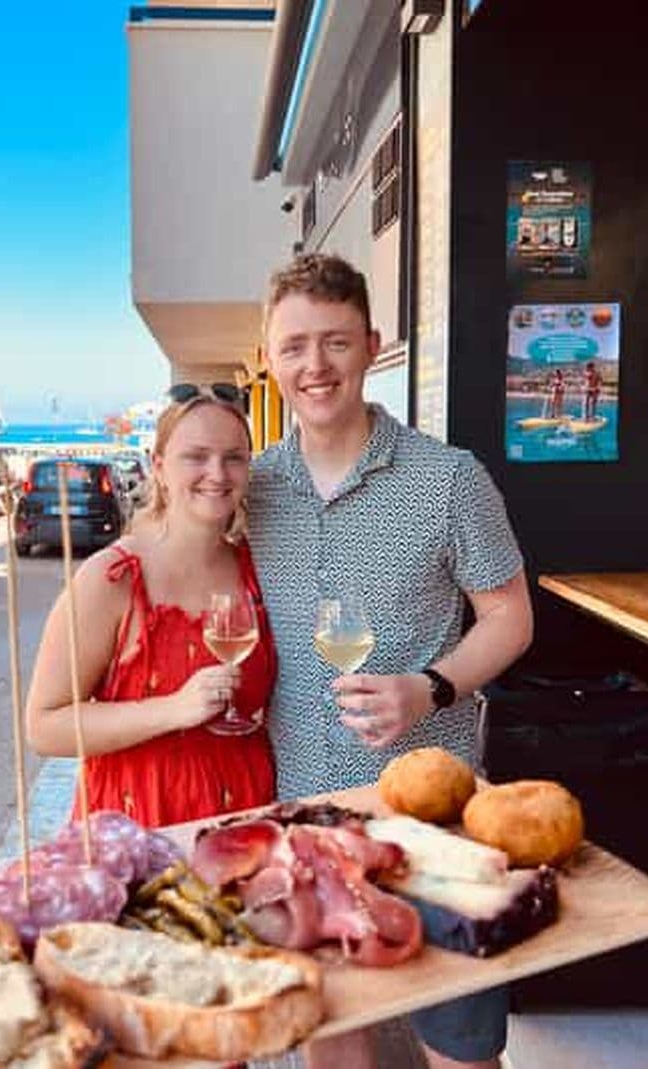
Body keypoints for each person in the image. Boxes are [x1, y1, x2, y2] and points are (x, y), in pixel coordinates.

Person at [248, 254, 533, 1069]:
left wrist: (430, 685)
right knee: (335, 1039)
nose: (315, 365)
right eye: (294, 345)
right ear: (269, 355)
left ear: (372, 345)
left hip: (435, 819)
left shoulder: (449, 479)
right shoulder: (253, 488)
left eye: (334, 342)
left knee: (462, 1047)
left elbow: (512, 618)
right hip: (306, 820)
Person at [25, 387, 276, 827]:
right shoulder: (113, 578)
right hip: (139, 821)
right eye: (196, 456)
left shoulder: (259, 569)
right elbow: (44, 727)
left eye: (234, 457)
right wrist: (173, 709)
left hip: (248, 811)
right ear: (158, 467)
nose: (217, 473)